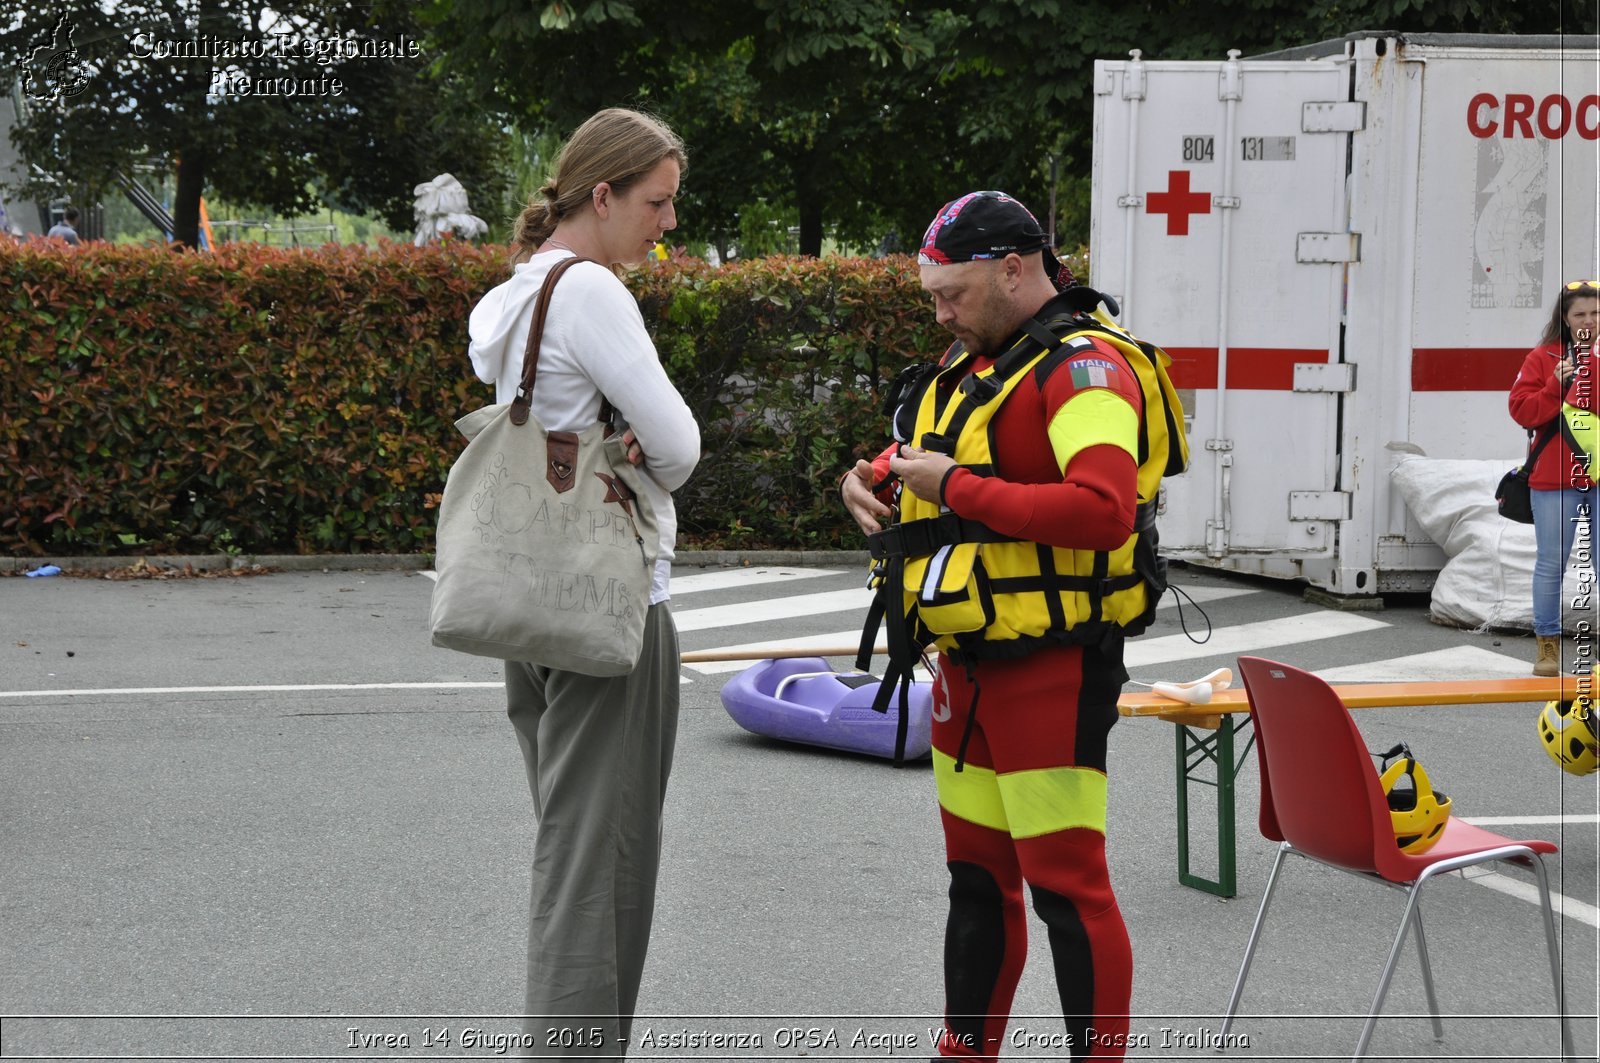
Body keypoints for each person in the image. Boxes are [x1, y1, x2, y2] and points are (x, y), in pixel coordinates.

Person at [842, 191, 1164, 1061]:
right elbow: (940, 451)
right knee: (977, 884)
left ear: (1014, 270)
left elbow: (1105, 511)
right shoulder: (982, 358)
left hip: (1054, 669)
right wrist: (868, 476)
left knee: (1068, 888)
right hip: (967, 664)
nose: (938, 312)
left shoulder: (1085, 368)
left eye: (952, 293)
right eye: (932, 295)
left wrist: (949, 487)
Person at [465, 107, 700, 1059]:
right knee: (599, 868)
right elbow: (679, 447)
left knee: (575, 845)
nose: (667, 223)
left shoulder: (509, 297)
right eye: (657, 201)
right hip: (610, 609)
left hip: (529, 600)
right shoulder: (593, 292)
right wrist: (645, 453)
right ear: (600, 196)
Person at [1509, 279, 1598, 676]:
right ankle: (1547, 647)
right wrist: (1554, 386)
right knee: (1551, 563)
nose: (1588, 322)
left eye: (1596, 314)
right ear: (1564, 318)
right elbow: (1522, 411)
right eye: (1579, 314)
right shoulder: (1542, 358)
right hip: (1554, 476)